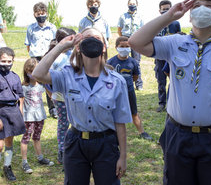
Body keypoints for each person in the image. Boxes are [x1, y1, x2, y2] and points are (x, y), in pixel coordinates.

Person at [129, 0, 211, 185]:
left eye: (209, 6)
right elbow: (135, 42)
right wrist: (168, 16)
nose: (202, 9)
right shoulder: (175, 43)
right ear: (190, 15)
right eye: (197, 6)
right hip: (178, 134)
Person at [32, 28, 132, 185]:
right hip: (76, 142)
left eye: (97, 38)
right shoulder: (67, 75)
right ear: (78, 46)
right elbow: (38, 74)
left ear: (104, 46)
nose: (92, 40)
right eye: (86, 38)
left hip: (106, 143)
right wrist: (61, 47)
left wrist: (123, 156)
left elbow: (120, 122)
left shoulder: (117, 81)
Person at [107, 36, 153, 141]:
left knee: (134, 112)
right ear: (116, 47)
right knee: (113, 112)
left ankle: (142, 132)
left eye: (127, 46)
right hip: (114, 92)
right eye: (121, 46)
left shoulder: (133, 62)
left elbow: (135, 76)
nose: (124, 48)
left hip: (129, 90)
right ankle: (112, 132)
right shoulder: (110, 62)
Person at [47, 27, 76, 164]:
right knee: (63, 124)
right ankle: (62, 150)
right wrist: (51, 93)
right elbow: (46, 78)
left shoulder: (75, 54)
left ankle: (74, 149)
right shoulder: (54, 57)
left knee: (76, 124)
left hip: (75, 97)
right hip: (60, 98)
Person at [20, 58, 54, 174]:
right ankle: (24, 162)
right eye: (30, 72)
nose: (32, 74)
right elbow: (21, 103)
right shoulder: (24, 87)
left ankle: (40, 157)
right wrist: (21, 116)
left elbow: (51, 96)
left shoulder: (42, 86)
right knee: (26, 138)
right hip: (28, 117)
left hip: (40, 116)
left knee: (37, 137)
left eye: (35, 71)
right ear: (26, 72)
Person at [25, 2, 57, 119]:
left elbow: (55, 44)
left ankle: (53, 109)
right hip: (35, 58)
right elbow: (28, 44)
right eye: (38, 14)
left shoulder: (52, 27)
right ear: (34, 15)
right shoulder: (31, 28)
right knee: (34, 82)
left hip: (48, 58)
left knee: (49, 83)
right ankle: (32, 109)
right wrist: (33, 57)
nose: (41, 16)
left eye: (43, 13)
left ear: (46, 14)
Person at [0, 47, 26, 181]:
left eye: (9, 61)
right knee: (0, 144)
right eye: (3, 61)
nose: (6, 64)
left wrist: (20, 110)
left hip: (13, 111)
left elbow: (21, 96)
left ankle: (7, 166)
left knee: (9, 140)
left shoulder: (15, 76)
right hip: (1, 110)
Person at [155, 0, 181, 112]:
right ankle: (161, 103)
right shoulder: (156, 23)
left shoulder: (175, 24)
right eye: (163, 9)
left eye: (168, 8)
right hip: (160, 57)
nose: (165, 11)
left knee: (174, 79)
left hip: (172, 57)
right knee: (161, 80)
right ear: (159, 10)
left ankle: (172, 102)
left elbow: (179, 38)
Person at [118, 0, 144, 90]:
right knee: (124, 61)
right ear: (127, 5)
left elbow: (142, 29)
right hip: (126, 39)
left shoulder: (140, 17)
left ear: (137, 5)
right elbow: (119, 29)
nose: (132, 5)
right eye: (130, 4)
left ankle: (139, 84)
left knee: (136, 62)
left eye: (133, 4)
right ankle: (124, 82)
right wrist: (124, 40)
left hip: (136, 40)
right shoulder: (123, 16)